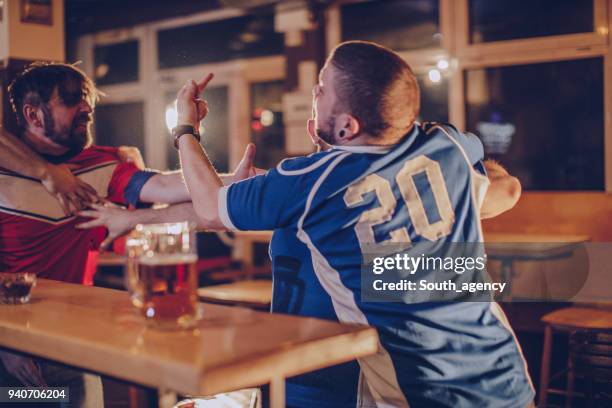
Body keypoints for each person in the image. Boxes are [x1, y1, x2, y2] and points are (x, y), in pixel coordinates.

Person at [83, 41, 532, 407]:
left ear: (347, 126)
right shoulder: (444, 144)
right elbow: (498, 181)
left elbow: (210, 204)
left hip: (422, 393)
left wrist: (184, 130)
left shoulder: (312, 183)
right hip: (507, 380)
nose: (312, 96)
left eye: (320, 90)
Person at [0, 61, 258, 406]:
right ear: (33, 114)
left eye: (88, 99)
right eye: (72, 99)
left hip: (71, 344)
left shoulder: (101, 165)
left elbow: (166, 185)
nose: (86, 108)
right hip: (9, 348)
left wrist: (241, 182)